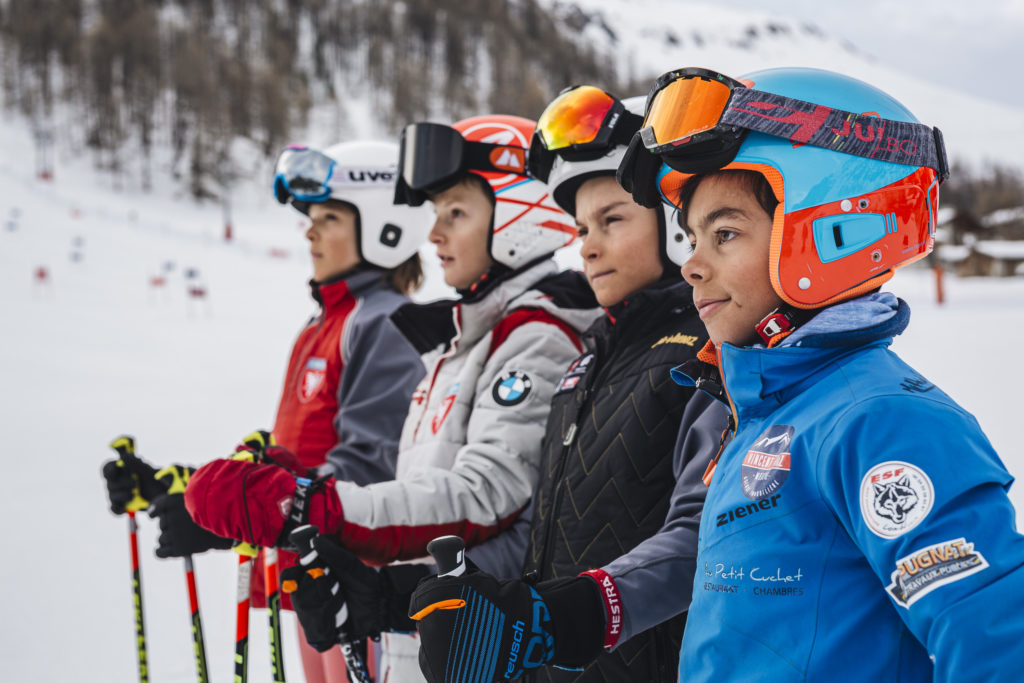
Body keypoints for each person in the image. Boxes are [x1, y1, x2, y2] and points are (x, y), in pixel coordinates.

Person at [611, 66, 1023, 681]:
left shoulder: (882, 419)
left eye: (725, 234)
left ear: (829, 232)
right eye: (691, 237)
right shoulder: (763, 411)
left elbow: (994, 640)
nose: (692, 266)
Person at [183, 115, 602, 681]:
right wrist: (292, 478)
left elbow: (483, 495)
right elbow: (414, 481)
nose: (434, 235)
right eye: (435, 215)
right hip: (419, 631)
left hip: (472, 643)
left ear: (517, 218)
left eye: (455, 213)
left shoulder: (535, 339)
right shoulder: (465, 339)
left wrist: (310, 502)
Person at [102, 139, 431, 683]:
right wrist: (189, 490)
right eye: (310, 217)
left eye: (328, 217)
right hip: (313, 580)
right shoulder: (323, 324)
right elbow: (295, 459)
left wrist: (241, 519)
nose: (309, 231)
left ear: (385, 226)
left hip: (361, 587)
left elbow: (372, 474)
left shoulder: (383, 324)